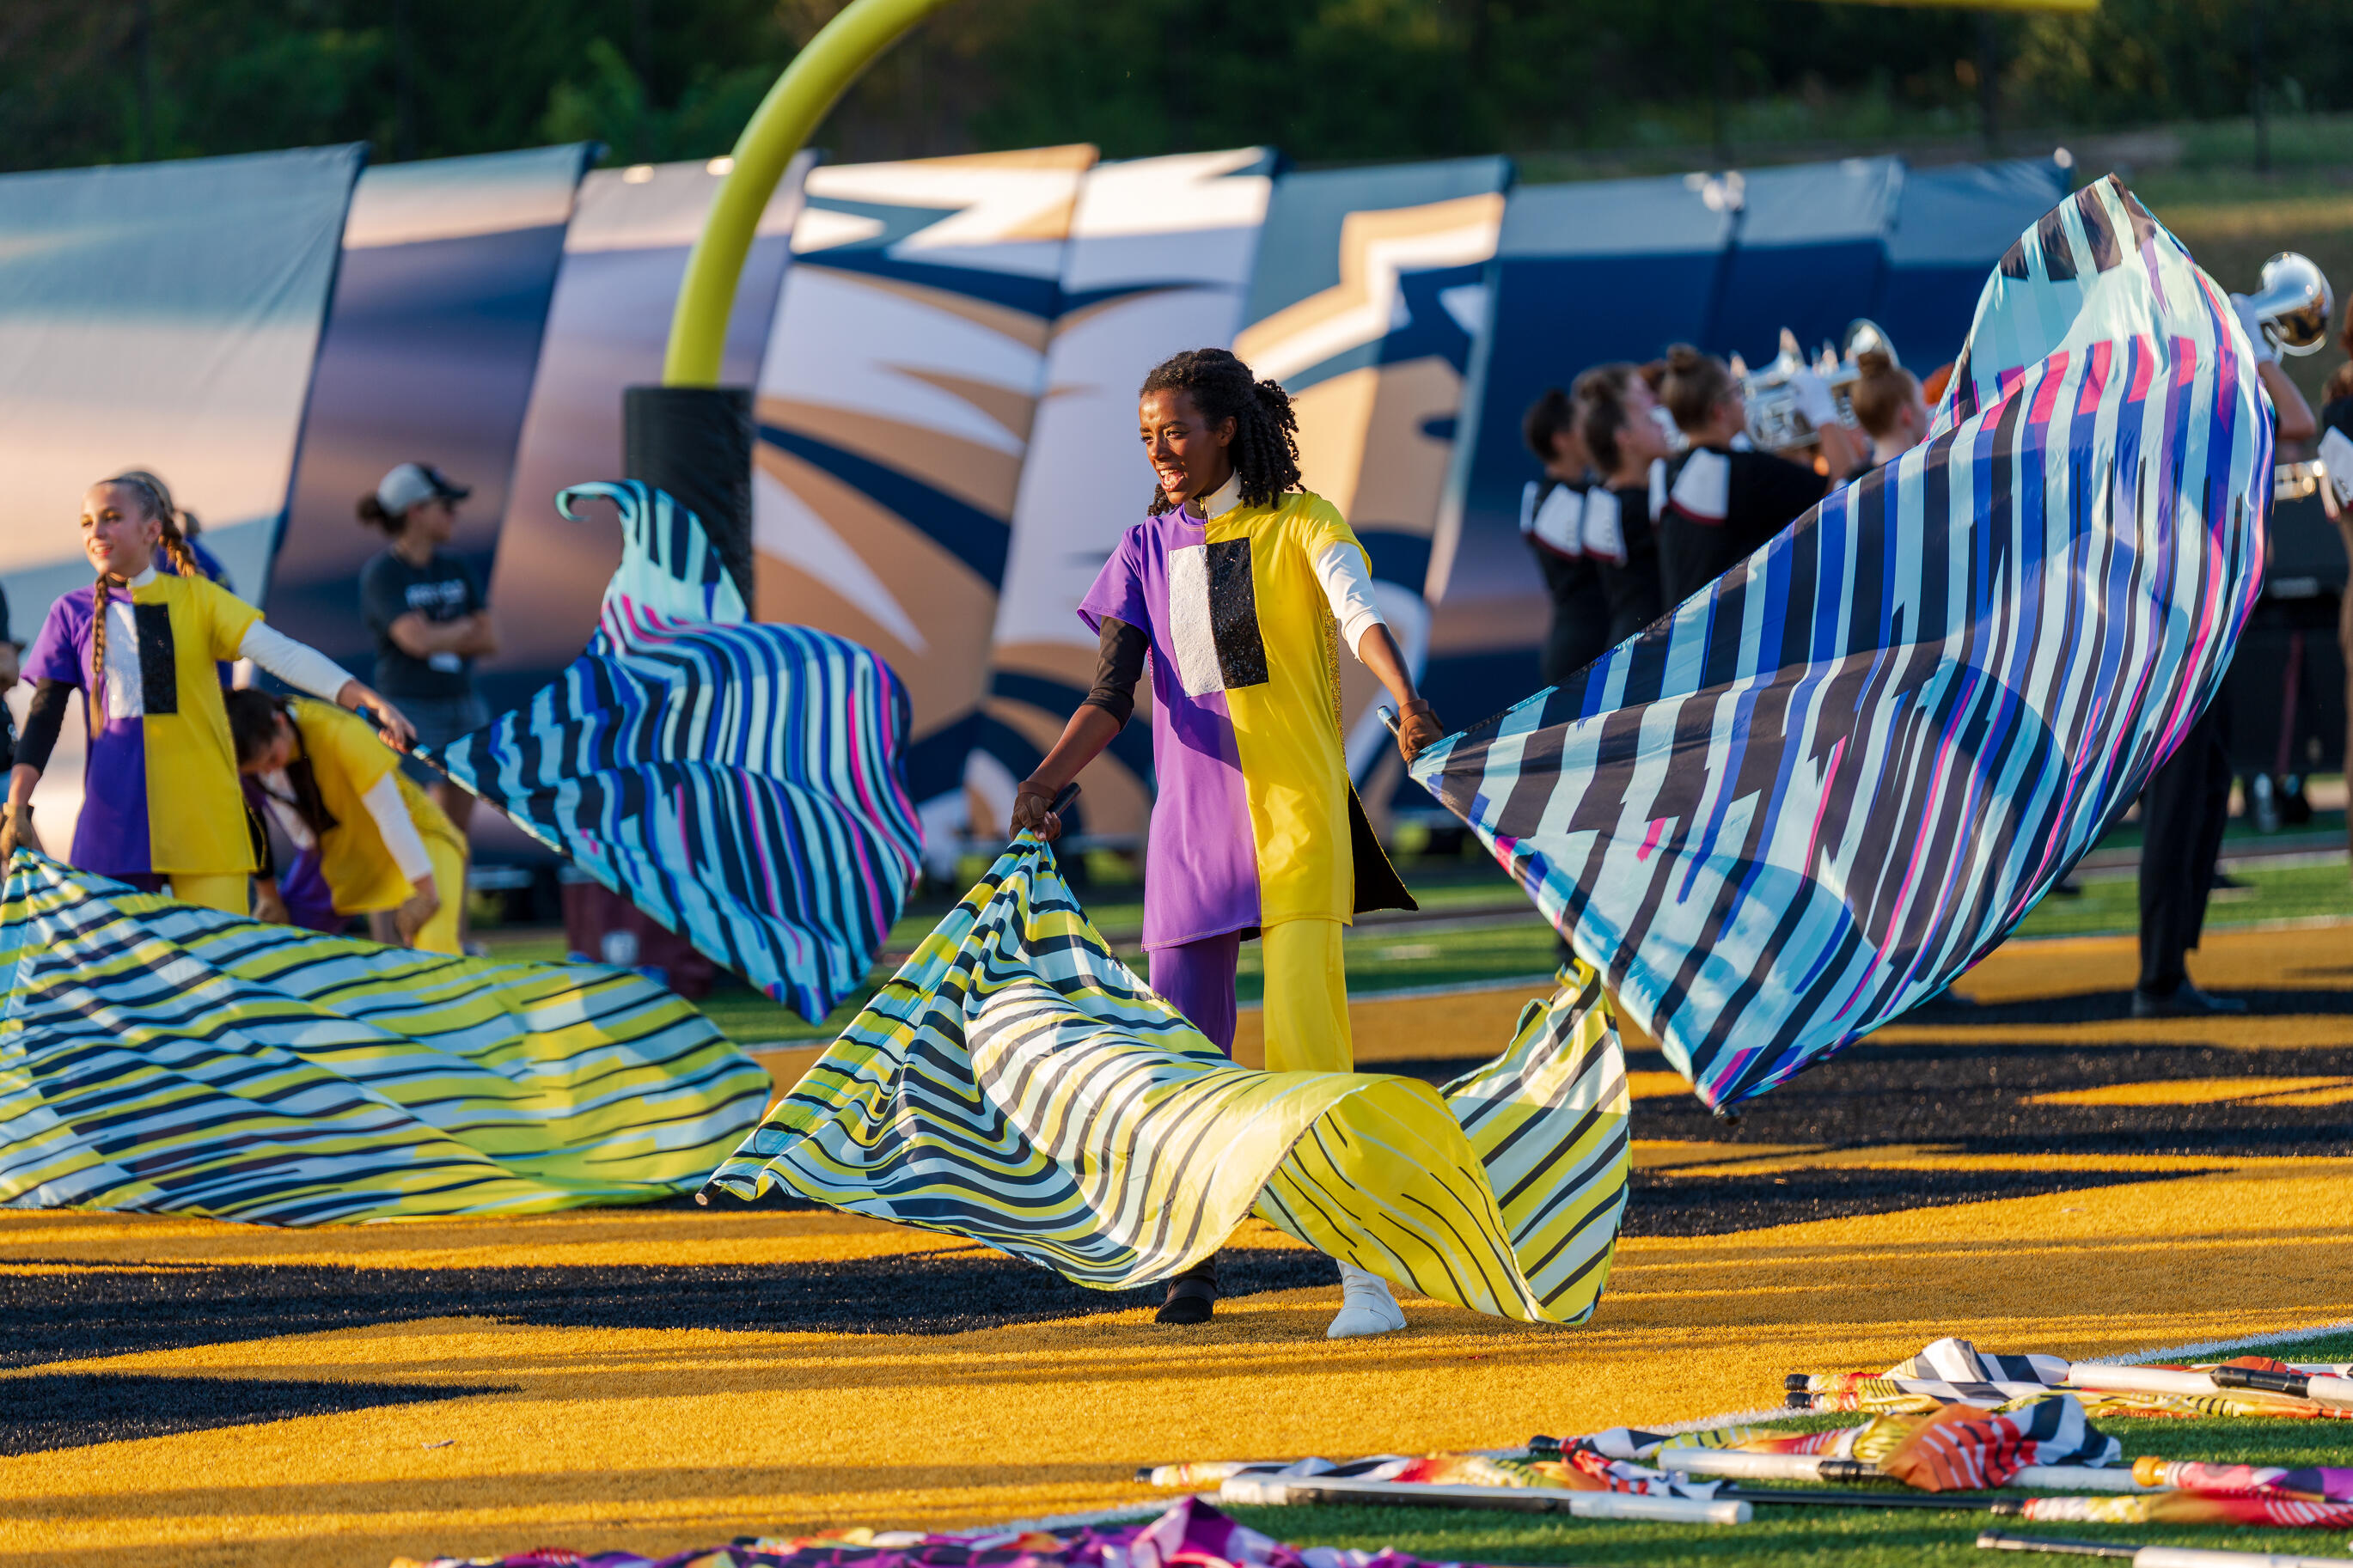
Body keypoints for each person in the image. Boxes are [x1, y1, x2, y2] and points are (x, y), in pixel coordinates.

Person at [1008, 347, 1441, 1339]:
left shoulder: (1303, 524)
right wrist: (1045, 780)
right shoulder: (1141, 549)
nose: (1160, 451)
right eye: (1147, 436)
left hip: (1294, 828)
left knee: (1306, 1056)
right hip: (1189, 837)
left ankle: (1361, 1277)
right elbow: (1108, 697)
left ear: (1225, 431)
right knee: (1183, 1058)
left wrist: (1405, 695)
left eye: (1176, 432)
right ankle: (1190, 1267)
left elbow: (1356, 613)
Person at [0, 473, 413, 912]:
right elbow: (45, 715)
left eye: (112, 518)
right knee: (117, 978)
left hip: (206, 823)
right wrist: (17, 805)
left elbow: (282, 654)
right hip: (114, 827)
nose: (96, 532)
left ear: (152, 530)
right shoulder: (70, 612)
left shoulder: (200, 598)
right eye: (87, 523)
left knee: (220, 976)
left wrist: (364, 699)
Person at [2130, 293, 2320, 1017]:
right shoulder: (2178, 417)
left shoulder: (2218, 415)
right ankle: (2157, 976)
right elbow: (2300, 425)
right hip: (2175, 635)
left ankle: (2173, 962)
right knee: (2177, 800)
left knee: (2208, 790)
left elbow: (2291, 435)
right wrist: (2260, 353)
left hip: (2205, 629)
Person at [227, 687, 463, 953]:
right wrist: (268, 895)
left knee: (435, 946)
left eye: (271, 759)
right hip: (338, 854)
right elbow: (251, 820)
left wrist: (426, 893)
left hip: (419, 836)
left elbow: (392, 815)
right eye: (255, 771)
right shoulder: (248, 755)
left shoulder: (339, 731)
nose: (267, 772)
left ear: (280, 722)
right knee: (277, 948)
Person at [1653, 344, 1867, 607]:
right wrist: (1823, 414)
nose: (1744, 400)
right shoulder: (1744, 470)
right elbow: (1849, 488)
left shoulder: (1666, 471)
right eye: (1737, 392)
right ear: (1719, 411)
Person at [358, 463, 497, 838]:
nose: (455, 515)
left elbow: (489, 640)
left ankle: (455, 899)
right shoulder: (383, 573)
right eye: (446, 507)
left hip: (463, 704)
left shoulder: (456, 564)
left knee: (458, 835)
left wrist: (436, 632)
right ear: (416, 511)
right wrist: (462, 627)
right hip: (408, 708)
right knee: (411, 830)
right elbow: (414, 642)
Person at [1571, 363, 1672, 644]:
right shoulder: (1636, 508)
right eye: (1650, 421)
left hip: (1628, 640)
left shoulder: (1605, 497)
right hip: (1651, 644)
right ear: (1624, 438)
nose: (1661, 423)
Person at [1518, 388, 1610, 682]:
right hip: (1585, 649)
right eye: (1585, 426)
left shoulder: (1539, 497)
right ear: (1561, 440)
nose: (1595, 433)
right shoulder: (1566, 501)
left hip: (1578, 640)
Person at [1846, 349, 1930, 473]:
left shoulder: (1847, 485)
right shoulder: (1933, 467)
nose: (1927, 409)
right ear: (1907, 414)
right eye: (1921, 400)